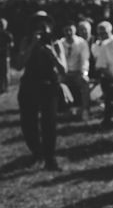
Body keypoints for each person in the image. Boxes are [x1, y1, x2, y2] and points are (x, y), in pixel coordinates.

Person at [16, 11, 68, 170]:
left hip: (48, 85)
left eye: (45, 24)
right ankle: (36, 152)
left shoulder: (56, 43)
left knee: (49, 123)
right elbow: (19, 65)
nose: (42, 28)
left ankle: (50, 158)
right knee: (28, 122)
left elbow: (63, 69)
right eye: (38, 24)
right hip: (29, 84)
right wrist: (32, 45)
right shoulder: (26, 41)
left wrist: (52, 54)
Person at [59, 23, 91, 121]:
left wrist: (84, 72)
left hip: (78, 72)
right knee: (57, 82)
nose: (68, 33)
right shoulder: (60, 43)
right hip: (64, 73)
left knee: (85, 81)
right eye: (66, 30)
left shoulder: (81, 43)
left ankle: (85, 110)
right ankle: (65, 110)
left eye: (71, 30)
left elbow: (85, 59)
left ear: (75, 30)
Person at [0, 18, 14, 94]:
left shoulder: (8, 35)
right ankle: (1, 87)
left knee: (5, 72)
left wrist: (4, 48)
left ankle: (6, 87)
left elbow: (12, 45)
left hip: (5, 56)